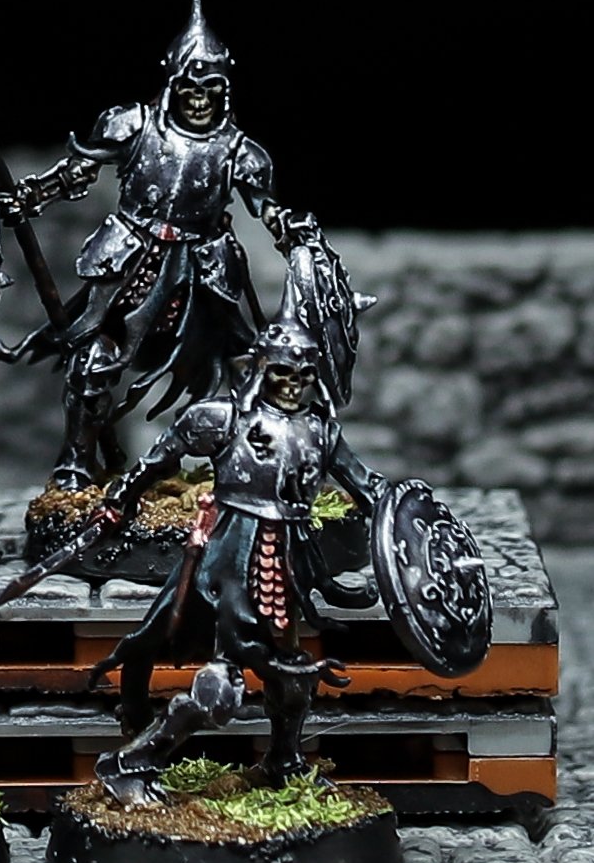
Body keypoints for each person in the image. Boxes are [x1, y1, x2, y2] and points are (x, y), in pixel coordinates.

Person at [0, 0, 300, 490]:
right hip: (133, 258)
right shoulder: (133, 125)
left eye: (211, 90)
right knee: (94, 363)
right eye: (190, 89)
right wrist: (33, 197)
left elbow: (266, 207)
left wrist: (290, 230)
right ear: (173, 84)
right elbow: (79, 169)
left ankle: (245, 466)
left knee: (238, 367)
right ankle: (76, 463)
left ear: (225, 90)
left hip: (203, 268)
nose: (200, 100)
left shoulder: (239, 151)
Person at [90, 318, 389, 805]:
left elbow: (369, 487)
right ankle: (130, 763)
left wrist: (407, 520)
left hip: (288, 557)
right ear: (261, 368)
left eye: (305, 376)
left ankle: (284, 761)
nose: (293, 386)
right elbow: (159, 459)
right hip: (231, 556)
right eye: (283, 373)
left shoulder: (321, 432)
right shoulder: (225, 419)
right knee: (223, 683)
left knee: (290, 672)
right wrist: (120, 498)